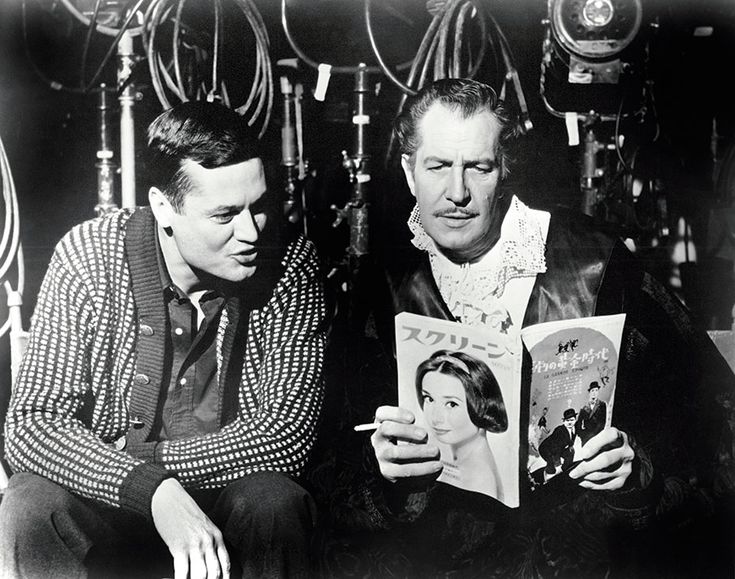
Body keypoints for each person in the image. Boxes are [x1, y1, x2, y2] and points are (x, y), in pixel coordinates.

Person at [326, 78, 734, 577]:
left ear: (505, 171)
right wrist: (386, 477)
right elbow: (333, 462)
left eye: (479, 167)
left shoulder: (594, 259)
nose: (457, 193)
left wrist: (635, 473)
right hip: (441, 557)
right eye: (437, 167)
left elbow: (710, 416)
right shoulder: (382, 282)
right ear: (410, 172)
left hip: (582, 555)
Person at [0, 101, 328, 578]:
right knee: (31, 505)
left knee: (275, 501)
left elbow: (284, 436)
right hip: (106, 502)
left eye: (259, 207)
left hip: (222, 501)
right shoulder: (89, 255)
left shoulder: (290, 262)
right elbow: (31, 424)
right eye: (225, 215)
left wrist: (148, 465)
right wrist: (149, 490)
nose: (251, 231)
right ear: (162, 207)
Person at [414, 349, 507, 500]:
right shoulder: (463, 464)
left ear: (481, 406)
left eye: (451, 404)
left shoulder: (478, 478)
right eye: (429, 399)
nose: (436, 418)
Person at [538, 408, 579, 478]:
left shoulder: (574, 430)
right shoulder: (559, 430)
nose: (570, 422)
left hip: (559, 448)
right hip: (546, 449)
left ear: (575, 419)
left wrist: (570, 446)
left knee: (570, 453)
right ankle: (547, 473)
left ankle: (564, 470)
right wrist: (557, 461)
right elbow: (555, 446)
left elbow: (570, 441)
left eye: (572, 420)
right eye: (567, 420)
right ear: (564, 421)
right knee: (552, 468)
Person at [577, 381, 608, 445]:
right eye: (592, 390)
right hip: (586, 438)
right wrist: (582, 435)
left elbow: (602, 422)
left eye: (596, 390)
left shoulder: (602, 405)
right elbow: (578, 423)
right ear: (589, 392)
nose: (594, 393)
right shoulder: (584, 408)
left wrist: (595, 435)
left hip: (597, 436)